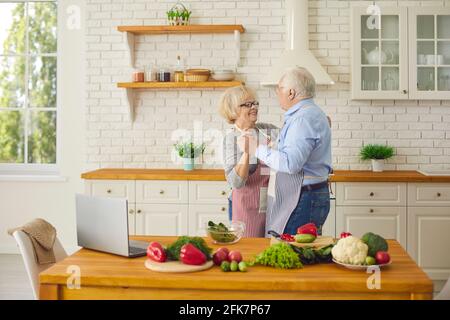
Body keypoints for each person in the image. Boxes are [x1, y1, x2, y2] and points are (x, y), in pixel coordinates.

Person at [248, 67, 332, 236]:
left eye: (279, 89)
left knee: (292, 254)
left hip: (303, 199)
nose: (277, 93)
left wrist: (256, 148)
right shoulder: (313, 113)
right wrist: (277, 147)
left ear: (291, 93)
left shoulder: (302, 119)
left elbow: (290, 164)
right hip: (311, 195)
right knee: (305, 254)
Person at [218, 86, 277, 237]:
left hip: (271, 204)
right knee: (248, 250)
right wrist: (247, 150)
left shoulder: (267, 130)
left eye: (255, 103)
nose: (254, 108)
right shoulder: (231, 139)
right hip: (245, 207)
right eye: (248, 104)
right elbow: (235, 182)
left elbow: (293, 137)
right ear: (234, 110)